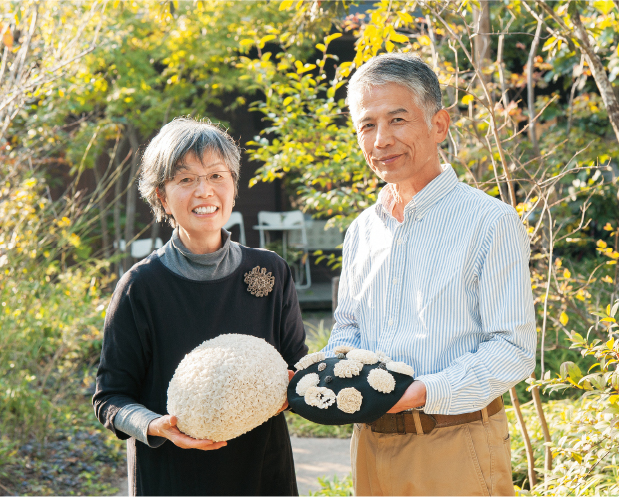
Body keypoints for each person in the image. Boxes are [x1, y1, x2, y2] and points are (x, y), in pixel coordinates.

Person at [323, 53, 536, 496]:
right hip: (370, 446)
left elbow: (513, 349)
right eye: (367, 125)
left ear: (439, 124)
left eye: (397, 119)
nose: (381, 140)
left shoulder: (489, 221)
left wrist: (423, 392)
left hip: (455, 445)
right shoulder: (362, 231)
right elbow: (349, 328)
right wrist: (321, 372)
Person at [93, 117, 307, 496]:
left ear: (234, 187)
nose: (204, 191)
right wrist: (157, 425)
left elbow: (298, 369)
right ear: (162, 196)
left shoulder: (269, 270)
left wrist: (295, 390)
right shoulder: (140, 287)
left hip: (262, 471)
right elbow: (111, 398)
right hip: (173, 476)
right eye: (186, 179)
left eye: (216, 176)